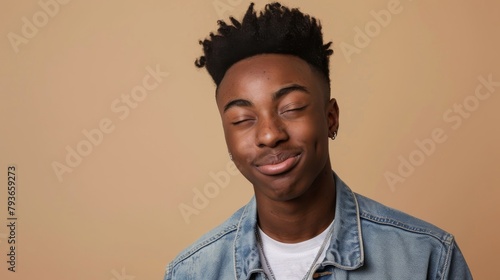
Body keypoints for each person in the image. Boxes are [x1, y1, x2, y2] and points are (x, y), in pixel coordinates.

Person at [164, 2, 473, 279]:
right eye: (242, 120)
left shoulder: (429, 259)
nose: (270, 134)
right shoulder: (192, 272)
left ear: (331, 117)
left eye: (292, 108)